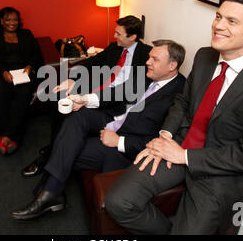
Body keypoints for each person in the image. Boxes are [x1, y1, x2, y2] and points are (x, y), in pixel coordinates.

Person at [105, 0, 243, 235]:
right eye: (218, 17)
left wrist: (186, 157)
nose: (218, 26)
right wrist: (166, 135)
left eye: (231, 21)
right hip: (178, 145)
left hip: (220, 172)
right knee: (118, 202)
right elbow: (183, 102)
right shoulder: (205, 56)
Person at [11, 40, 186, 220]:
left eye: (154, 59)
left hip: (126, 141)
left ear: (172, 66)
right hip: (116, 119)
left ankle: (49, 192)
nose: (148, 62)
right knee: (78, 115)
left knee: (68, 147)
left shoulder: (179, 96)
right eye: (149, 57)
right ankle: (51, 193)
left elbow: (161, 142)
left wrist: (118, 141)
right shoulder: (149, 74)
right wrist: (85, 99)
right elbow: (119, 91)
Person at [20, 15, 151, 177]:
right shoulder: (115, 47)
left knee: (73, 112)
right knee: (60, 97)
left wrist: (90, 97)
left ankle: (47, 157)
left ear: (132, 37)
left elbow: (131, 90)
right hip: (99, 88)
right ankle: (56, 144)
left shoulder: (147, 56)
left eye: (118, 34)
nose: (114, 36)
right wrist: (72, 80)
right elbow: (92, 62)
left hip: (116, 102)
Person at [0, 7, 43, 154]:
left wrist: (30, 66)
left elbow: (37, 56)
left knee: (23, 94)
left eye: (15, 19)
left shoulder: (27, 34)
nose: (12, 22)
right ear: (1, 21)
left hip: (23, 74)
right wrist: (2, 72)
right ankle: (10, 136)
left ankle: (6, 136)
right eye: (8, 19)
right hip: (1, 74)